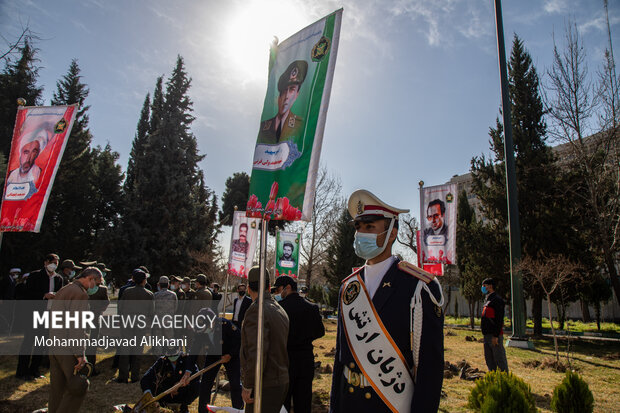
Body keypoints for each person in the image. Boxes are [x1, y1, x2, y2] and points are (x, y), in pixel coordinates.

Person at [329, 190, 445, 413]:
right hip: (349, 402)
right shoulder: (349, 286)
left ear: (392, 233)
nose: (361, 234)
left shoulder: (419, 287)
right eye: (358, 227)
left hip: (389, 404)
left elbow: (429, 370)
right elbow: (340, 358)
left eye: (370, 227)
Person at [48, 266, 100, 413]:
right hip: (68, 348)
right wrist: (79, 354)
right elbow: (76, 326)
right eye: (97, 283)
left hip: (54, 344)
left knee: (57, 389)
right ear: (90, 279)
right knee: (78, 386)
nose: (97, 287)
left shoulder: (65, 289)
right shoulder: (80, 294)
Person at [241, 266, 289, 413]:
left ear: (249, 289)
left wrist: (248, 384)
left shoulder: (257, 310)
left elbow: (257, 352)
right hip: (279, 380)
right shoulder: (278, 308)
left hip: (264, 383)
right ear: (269, 286)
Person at [274, 275, 325, 413]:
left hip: (285, 360)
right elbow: (320, 332)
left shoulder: (279, 308)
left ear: (288, 288)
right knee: (303, 401)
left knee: (282, 402)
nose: (276, 294)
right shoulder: (311, 307)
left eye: (278, 290)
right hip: (305, 359)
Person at [16, 253, 64, 380]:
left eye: (56, 263)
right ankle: (22, 371)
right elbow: (27, 294)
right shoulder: (35, 275)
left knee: (41, 343)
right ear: (46, 262)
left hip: (48, 314)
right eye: (52, 262)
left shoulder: (58, 279)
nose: (54, 265)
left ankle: (34, 370)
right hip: (34, 313)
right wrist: (43, 295)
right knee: (29, 342)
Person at [191, 308, 244, 412]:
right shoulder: (201, 329)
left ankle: (238, 409)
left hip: (231, 355)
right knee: (205, 383)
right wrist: (188, 371)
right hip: (213, 355)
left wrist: (230, 355)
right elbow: (194, 350)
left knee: (235, 384)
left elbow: (239, 339)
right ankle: (203, 410)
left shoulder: (225, 325)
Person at [257, 60, 308, 145]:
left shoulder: (301, 126)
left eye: (292, 89)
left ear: (296, 95)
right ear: (279, 97)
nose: (286, 96)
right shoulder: (264, 127)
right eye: (284, 91)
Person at [116, 268, 154, 383]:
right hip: (140, 325)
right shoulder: (149, 294)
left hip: (127, 323)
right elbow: (151, 313)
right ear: (144, 280)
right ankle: (135, 375)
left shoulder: (127, 291)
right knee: (137, 350)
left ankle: (123, 376)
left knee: (125, 350)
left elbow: (120, 308)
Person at [140, 347, 200, 413]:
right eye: (170, 356)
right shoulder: (162, 361)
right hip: (166, 392)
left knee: (197, 385)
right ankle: (162, 405)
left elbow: (197, 376)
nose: (173, 359)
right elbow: (145, 378)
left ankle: (182, 406)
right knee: (152, 383)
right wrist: (149, 395)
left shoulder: (186, 359)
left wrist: (181, 384)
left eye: (174, 355)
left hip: (182, 391)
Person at [481, 278, 508, 372]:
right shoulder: (487, 299)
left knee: (499, 359)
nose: (483, 288)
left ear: (490, 286)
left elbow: (499, 319)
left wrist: (496, 335)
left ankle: (504, 379)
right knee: (490, 359)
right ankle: (492, 378)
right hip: (487, 335)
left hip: (494, 335)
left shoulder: (497, 300)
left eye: (484, 286)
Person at [86, 270, 109, 375]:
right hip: (95, 317)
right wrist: (100, 310)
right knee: (92, 344)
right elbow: (106, 302)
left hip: (89, 318)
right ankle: (91, 367)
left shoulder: (85, 287)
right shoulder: (102, 289)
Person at [153, 275, 178, 354]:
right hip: (168, 321)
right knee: (170, 339)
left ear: (159, 285)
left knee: (158, 341)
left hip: (158, 321)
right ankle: (172, 356)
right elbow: (176, 308)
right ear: (168, 284)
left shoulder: (155, 295)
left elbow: (152, 308)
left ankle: (159, 359)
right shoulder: (173, 295)